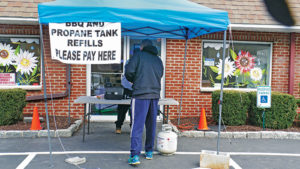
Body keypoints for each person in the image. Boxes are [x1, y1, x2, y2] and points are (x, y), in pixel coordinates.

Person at [125, 39, 164, 165]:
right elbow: (160, 74)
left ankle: (134, 156)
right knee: (151, 124)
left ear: (142, 47)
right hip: (154, 95)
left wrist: (135, 80)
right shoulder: (158, 60)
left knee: (137, 125)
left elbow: (129, 72)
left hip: (140, 94)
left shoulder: (138, 56)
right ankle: (149, 152)